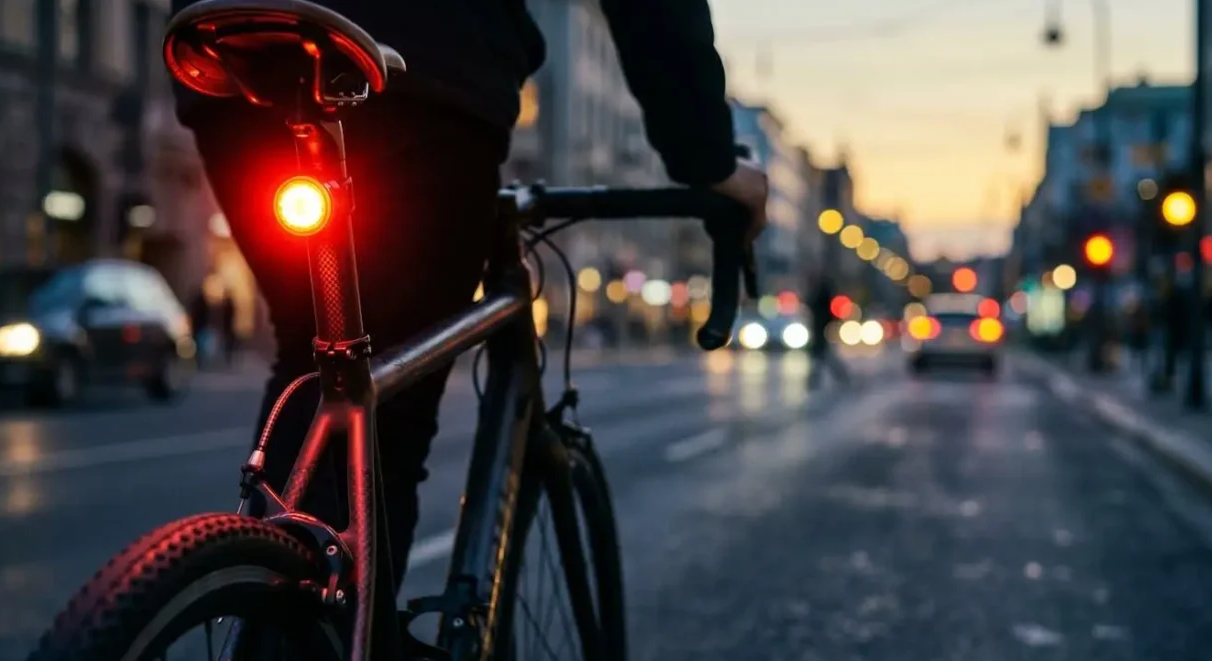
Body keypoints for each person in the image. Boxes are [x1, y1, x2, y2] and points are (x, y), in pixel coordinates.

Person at [170, 0, 769, 588]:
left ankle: (271, 634)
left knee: (316, 356)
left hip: (232, 51)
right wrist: (706, 157)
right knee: (383, 399)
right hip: (420, 65)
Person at [805, 274, 849, 389]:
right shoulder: (821, 294)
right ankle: (839, 376)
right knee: (823, 357)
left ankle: (814, 380)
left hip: (819, 328)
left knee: (821, 357)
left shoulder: (820, 296)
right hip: (819, 328)